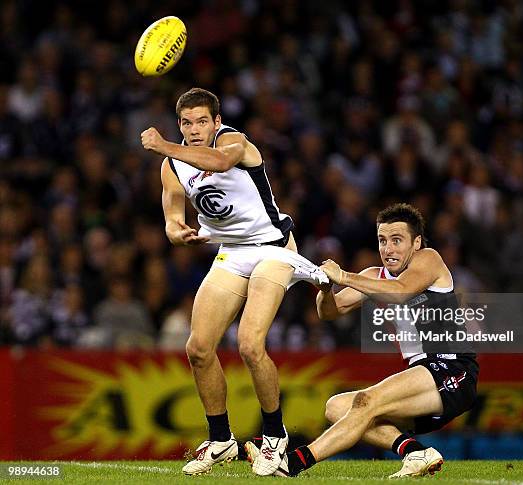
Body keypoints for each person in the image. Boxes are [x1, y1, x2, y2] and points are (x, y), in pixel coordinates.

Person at [140, 88, 327, 476]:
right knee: (198, 348)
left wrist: (163, 145)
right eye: (187, 123)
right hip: (232, 252)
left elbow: (221, 162)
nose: (194, 130)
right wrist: (177, 231)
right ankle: (222, 439)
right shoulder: (172, 166)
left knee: (249, 344)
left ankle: (275, 437)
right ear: (180, 124)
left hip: (274, 247)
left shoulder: (233, 141)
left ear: (216, 121)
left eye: (201, 121)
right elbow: (172, 216)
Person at [246, 203, 478, 477]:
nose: (388, 249)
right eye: (382, 241)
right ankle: (415, 452)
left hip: (453, 371)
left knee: (367, 401)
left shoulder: (428, 259)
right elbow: (329, 311)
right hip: (421, 376)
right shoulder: (373, 276)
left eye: (396, 240)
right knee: (337, 407)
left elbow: (400, 291)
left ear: (416, 243)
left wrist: (344, 275)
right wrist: (326, 286)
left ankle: (293, 462)